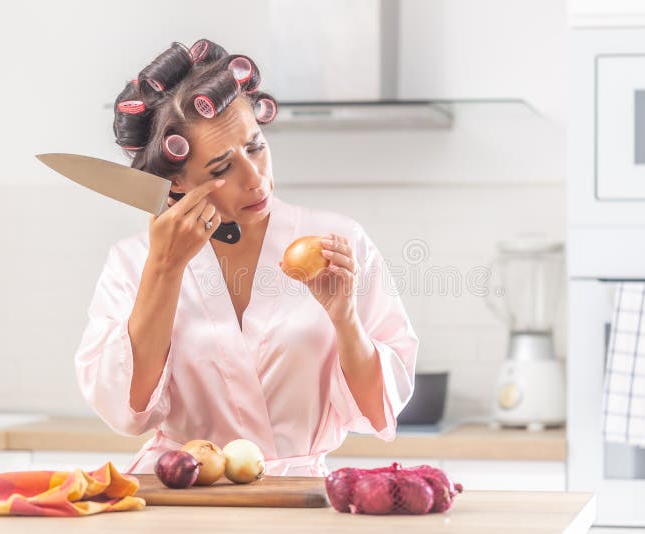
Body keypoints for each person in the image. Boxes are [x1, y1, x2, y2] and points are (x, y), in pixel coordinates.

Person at [74, 39, 418, 476]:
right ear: (175, 181)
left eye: (255, 147)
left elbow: (375, 414)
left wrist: (344, 317)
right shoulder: (131, 262)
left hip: (300, 500)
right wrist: (165, 268)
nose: (256, 180)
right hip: (182, 499)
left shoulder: (339, 243)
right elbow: (128, 411)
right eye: (221, 168)